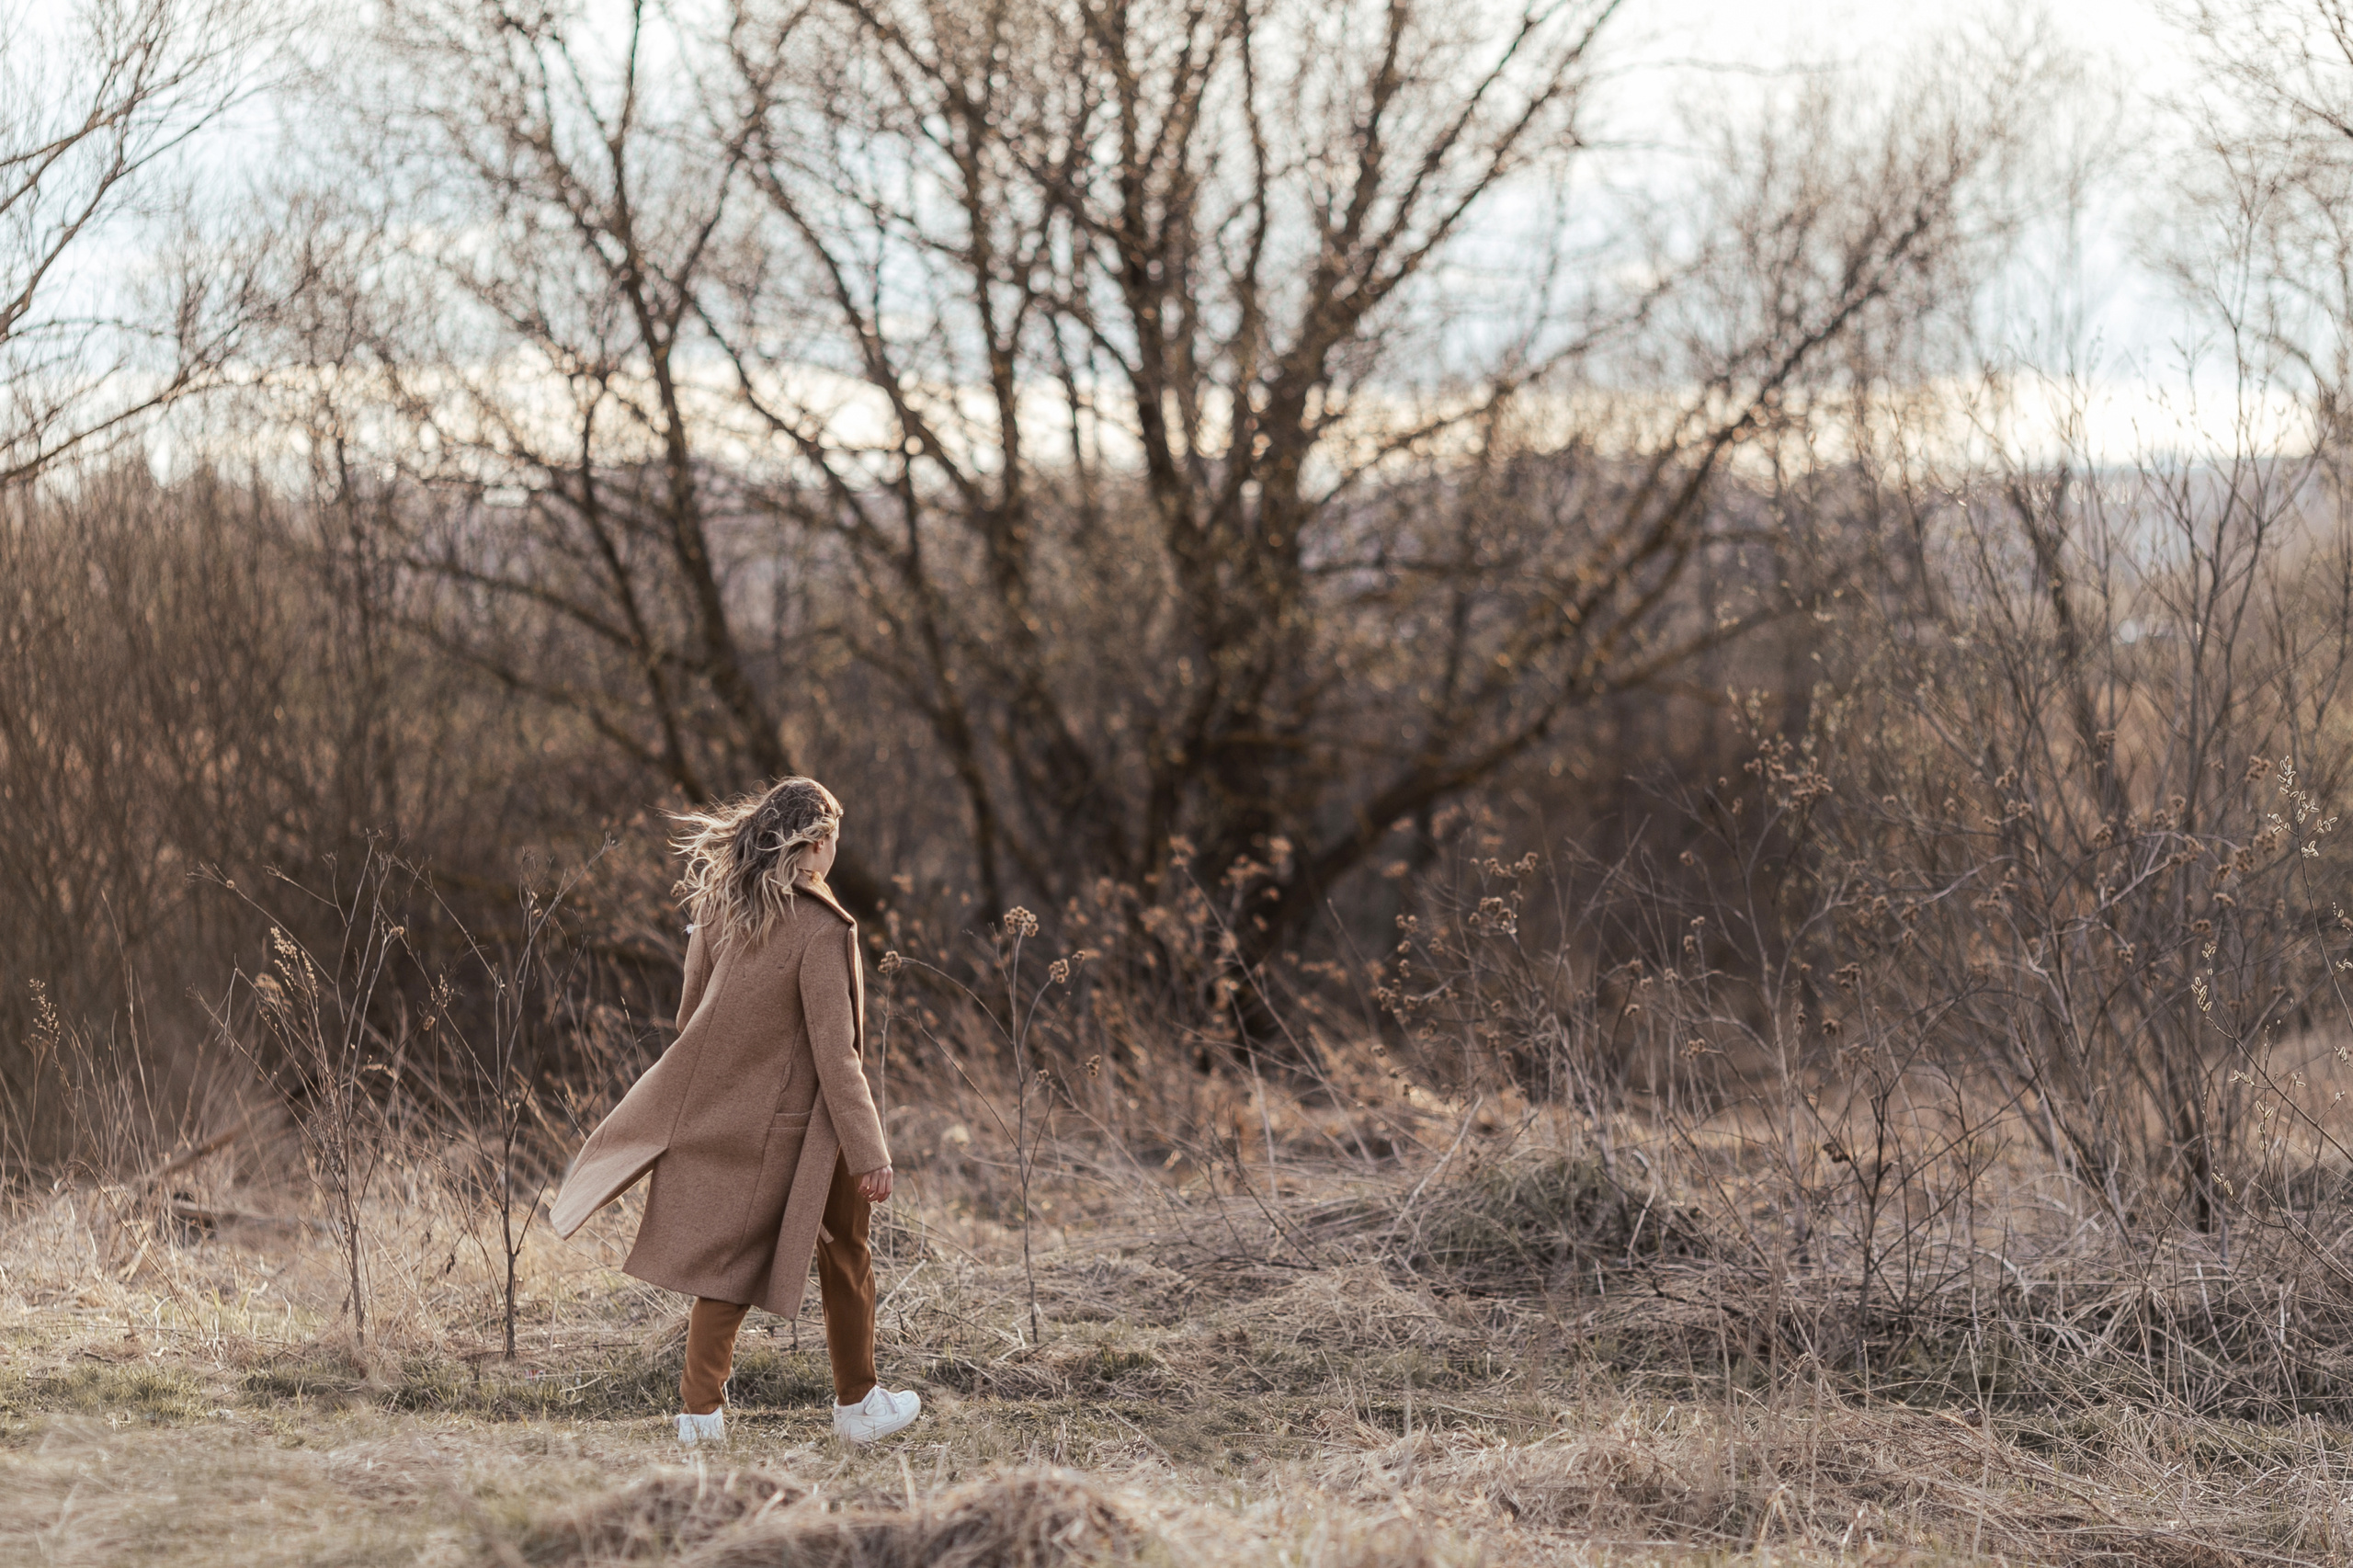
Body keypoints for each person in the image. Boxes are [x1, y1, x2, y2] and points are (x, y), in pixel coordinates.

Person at [548, 777, 920, 1445]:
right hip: (810, 1130)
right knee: (840, 1257)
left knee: (732, 1266)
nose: (834, 852)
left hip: (735, 1116)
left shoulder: (720, 908)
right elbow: (839, 1057)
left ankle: (710, 1417)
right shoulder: (822, 927)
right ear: (815, 844)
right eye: (832, 840)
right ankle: (849, 1407)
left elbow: (690, 1019)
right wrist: (872, 1153)